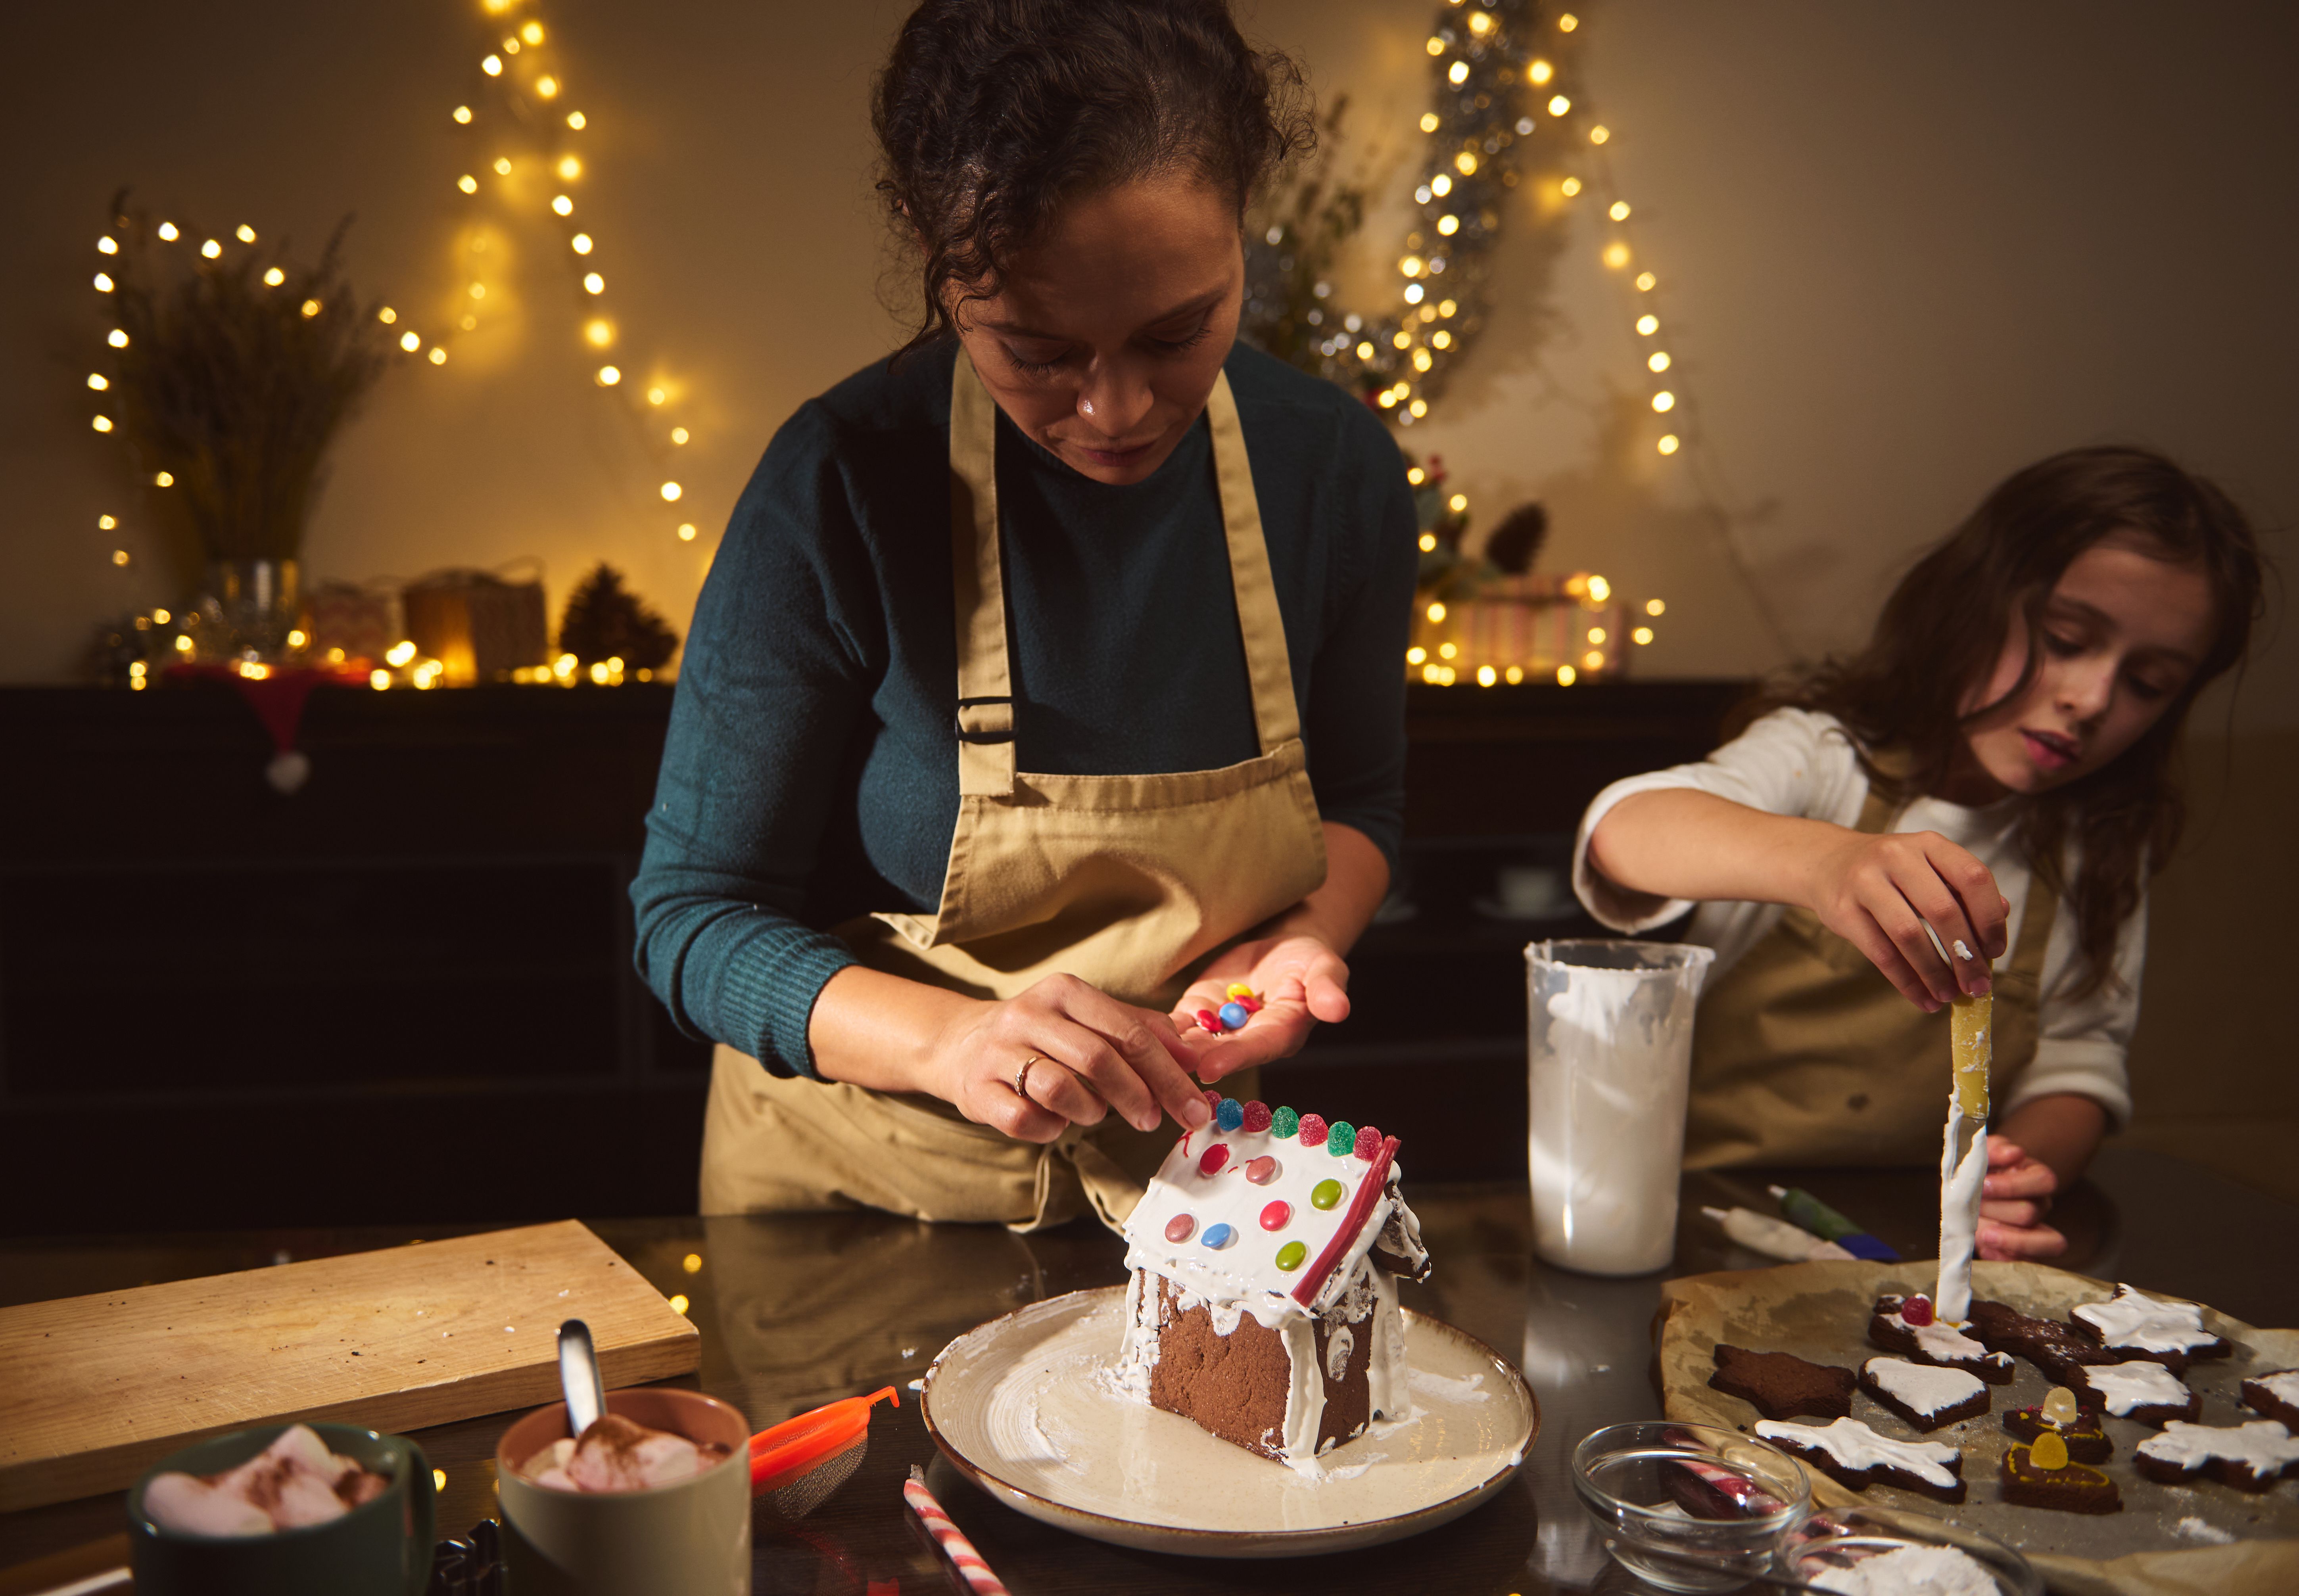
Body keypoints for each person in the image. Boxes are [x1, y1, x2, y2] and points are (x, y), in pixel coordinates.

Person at [631, 0, 1416, 1230]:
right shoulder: (843, 480)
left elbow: (1358, 807)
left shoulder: (1331, 473)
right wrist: (954, 1044)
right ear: (935, 258)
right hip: (863, 1204)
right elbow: (689, 919)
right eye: (1036, 350)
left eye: (1177, 332)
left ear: (1244, 228)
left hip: (1192, 1202)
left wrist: (1294, 945)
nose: (1114, 411)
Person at [1574, 447, 2264, 1259]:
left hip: (1917, 1245)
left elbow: (2082, 1061)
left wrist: (2020, 1169)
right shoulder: (1825, 761)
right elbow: (1624, 829)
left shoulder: (2094, 846)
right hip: (1700, 1220)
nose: (2092, 698)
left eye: (2148, 683)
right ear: (1970, 602)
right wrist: (1827, 862)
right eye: (2066, 637)